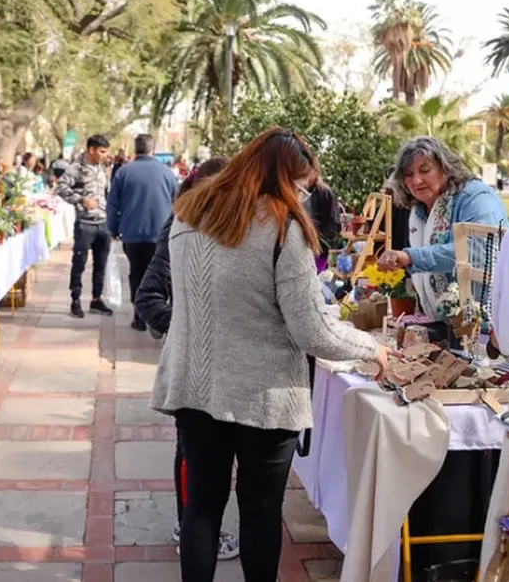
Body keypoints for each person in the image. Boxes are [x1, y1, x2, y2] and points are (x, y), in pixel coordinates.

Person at [151, 128, 390, 582]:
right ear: (281, 179)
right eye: (300, 184)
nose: (303, 194)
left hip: (195, 386)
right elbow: (312, 331)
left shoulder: (188, 214)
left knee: (202, 506)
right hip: (264, 395)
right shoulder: (282, 227)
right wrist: (371, 347)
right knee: (260, 512)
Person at [133, 156, 239, 561]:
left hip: (230, 368)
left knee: (213, 457)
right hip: (192, 369)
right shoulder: (179, 226)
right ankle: (186, 525)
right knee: (190, 452)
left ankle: (199, 526)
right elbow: (147, 297)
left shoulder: (242, 230)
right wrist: (185, 329)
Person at [378, 136, 509, 322]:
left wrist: (411, 257)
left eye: (425, 170)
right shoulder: (419, 209)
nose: (416, 181)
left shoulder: (477, 197)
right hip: (451, 323)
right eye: (408, 174)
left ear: (446, 168)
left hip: (498, 321)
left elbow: (480, 252)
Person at [106, 134, 178, 331]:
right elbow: (178, 203)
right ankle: (158, 315)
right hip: (160, 234)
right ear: (152, 150)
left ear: (135, 150)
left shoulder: (123, 173)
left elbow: (113, 203)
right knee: (160, 275)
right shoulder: (168, 173)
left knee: (136, 273)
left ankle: (139, 317)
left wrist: (112, 228)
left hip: (132, 233)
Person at [56, 134, 114, 319]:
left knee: (101, 264)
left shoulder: (102, 167)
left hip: (103, 223)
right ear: (91, 150)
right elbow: (61, 188)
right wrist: (81, 200)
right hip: (85, 224)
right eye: (102, 151)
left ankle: (96, 299)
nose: (106, 155)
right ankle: (75, 299)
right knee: (79, 263)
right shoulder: (77, 167)